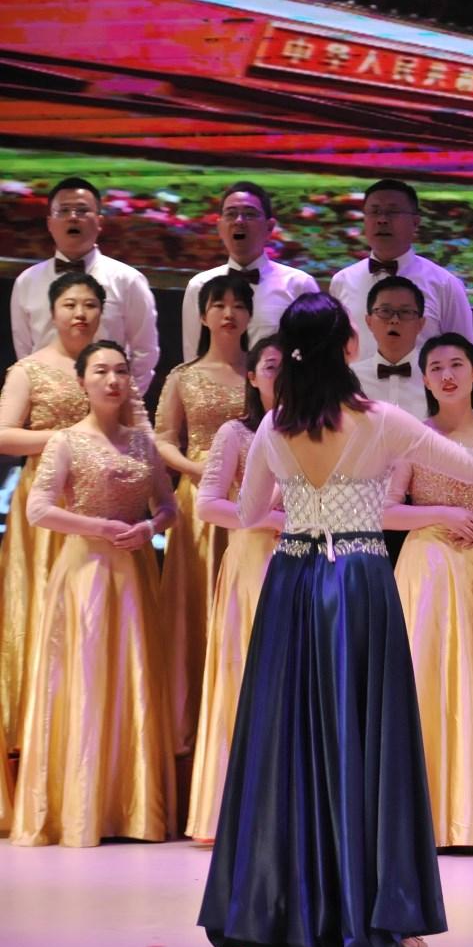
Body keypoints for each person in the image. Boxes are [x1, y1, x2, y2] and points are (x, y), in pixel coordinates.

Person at [198, 292, 473, 947]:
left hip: (293, 583)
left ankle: (284, 907)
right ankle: (371, 911)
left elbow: (249, 514)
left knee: (288, 740)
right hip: (357, 583)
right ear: (350, 346)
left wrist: (301, 501)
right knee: (364, 739)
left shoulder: (276, 426)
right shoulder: (380, 420)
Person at [11, 340, 176, 847]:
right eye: (101, 371)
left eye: (121, 371)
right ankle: (80, 811)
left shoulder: (143, 443)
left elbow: (169, 507)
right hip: (83, 573)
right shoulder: (65, 440)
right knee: (83, 679)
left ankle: (131, 809)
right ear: (82, 381)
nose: (112, 380)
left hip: (132, 572)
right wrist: (99, 527)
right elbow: (38, 509)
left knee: (132, 678)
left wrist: (149, 527)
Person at [385, 334, 473, 851]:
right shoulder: (411, 435)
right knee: (425, 681)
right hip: (426, 569)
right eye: (436, 368)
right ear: (425, 379)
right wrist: (442, 515)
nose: (447, 375)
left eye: (456, 365)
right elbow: (386, 511)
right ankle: (421, 815)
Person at [0, 272, 107, 743]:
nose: (80, 314)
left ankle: (89, 722)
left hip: (99, 500)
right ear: (52, 312)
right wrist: (68, 438)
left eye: (89, 305)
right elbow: (4, 435)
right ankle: (38, 726)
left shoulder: (108, 366)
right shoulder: (29, 369)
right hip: (45, 502)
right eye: (70, 304)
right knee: (44, 606)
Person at [187, 335, 285, 843]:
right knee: (247, 674)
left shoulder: (318, 430)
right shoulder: (236, 432)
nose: (281, 375)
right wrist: (269, 519)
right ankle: (236, 809)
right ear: (251, 377)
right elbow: (207, 504)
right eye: (270, 366)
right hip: (252, 563)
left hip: (304, 560)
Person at [155, 272, 250, 752]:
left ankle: (239, 719)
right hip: (198, 503)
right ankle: (187, 727)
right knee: (193, 606)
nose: (229, 313)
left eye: (238, 305)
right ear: (204, 315)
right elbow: (162, 440)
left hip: (252, 503)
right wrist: (197, 469)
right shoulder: (183, 376)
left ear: (250, 315)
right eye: (219, 304)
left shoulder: (263, 370)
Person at [10, 177, 159, 393]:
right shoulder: (27, 281)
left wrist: (123, 400)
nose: (73, 217)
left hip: (110, 402)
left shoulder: (127, 280)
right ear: (50, 223)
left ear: (99, 221)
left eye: (82, 211)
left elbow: (145, 351)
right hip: (46, 400)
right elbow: (24, 351)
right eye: (64, 211)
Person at [329, 179, 473, 360]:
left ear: (415, 222)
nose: (382, 220)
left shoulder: (445, 285)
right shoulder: (342, 281)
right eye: (374, 212)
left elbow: (465, 359)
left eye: (392, 212)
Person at [180, 181, 317, 360]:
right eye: (231, 214)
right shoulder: (199, 286)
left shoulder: (299, 285)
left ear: (269, 227)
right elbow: (192, 358)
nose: (239, 221)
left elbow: (314, 357)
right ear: (219, 226)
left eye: (250, 214)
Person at [352, 276, 431, 421]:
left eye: (405, 312)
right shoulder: (349, 378)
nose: (394, 320)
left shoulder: (438, 378)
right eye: (385, 311)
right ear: (368, 321)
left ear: (421, 324)